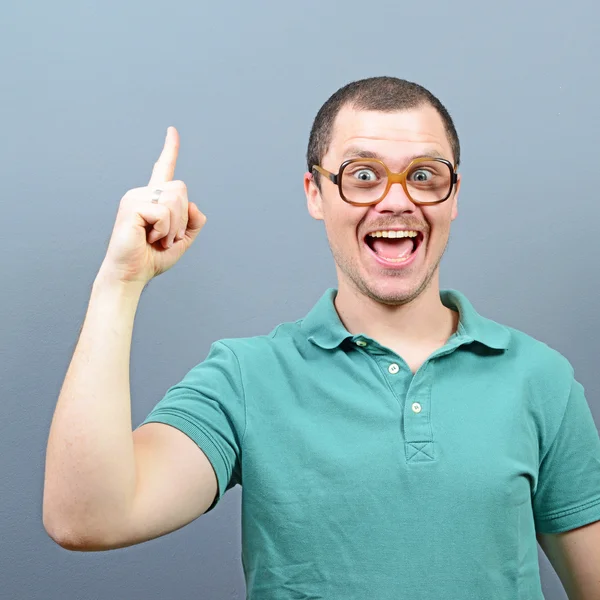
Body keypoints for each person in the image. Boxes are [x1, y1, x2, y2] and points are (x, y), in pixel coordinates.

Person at [43, 76, 600, 600]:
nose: (397, 200)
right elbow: (85, 518)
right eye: (363, 175)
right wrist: (120, 282)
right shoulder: (246, 378)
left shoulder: (540, 379)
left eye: (425, 175)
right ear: (315, 193)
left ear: (453, 195)